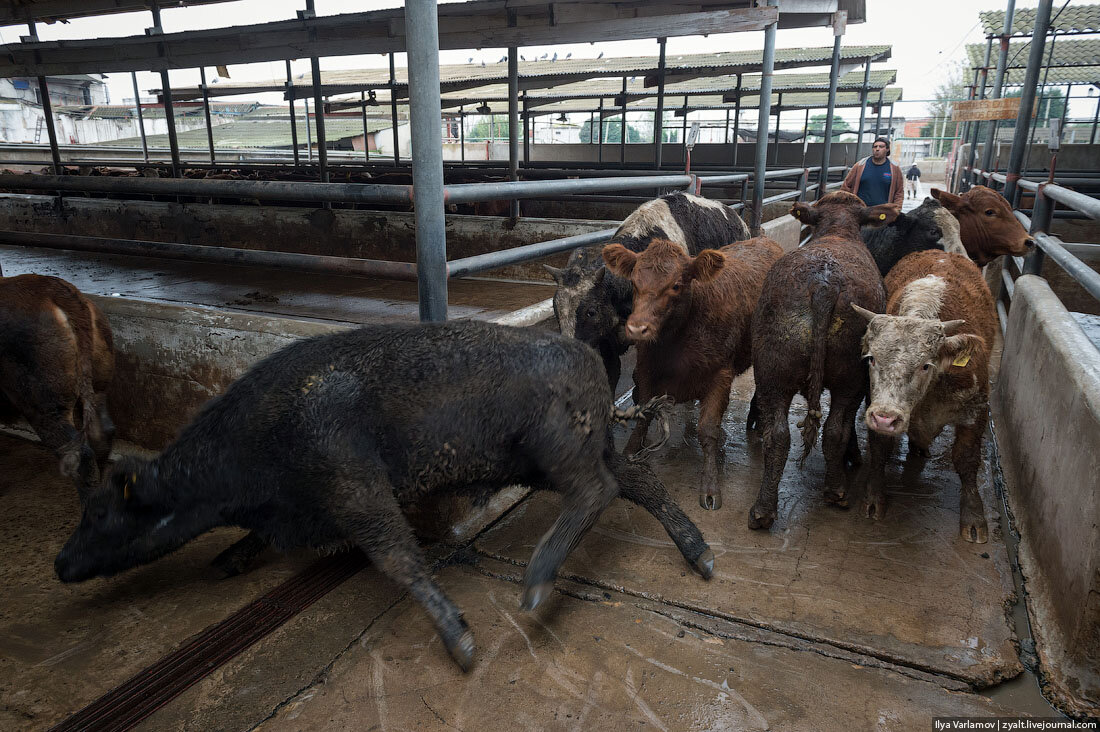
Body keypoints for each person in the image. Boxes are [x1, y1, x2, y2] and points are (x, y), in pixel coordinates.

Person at [841, 137, 904, 207]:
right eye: (875, 147)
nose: (877, 149)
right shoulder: (860, 165)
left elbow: (899, 192)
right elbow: (846, 186)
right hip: (860, 211)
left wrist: (896, 209)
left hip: (883, 212)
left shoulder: (894, 168)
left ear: (887, 149)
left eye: (881, 147)